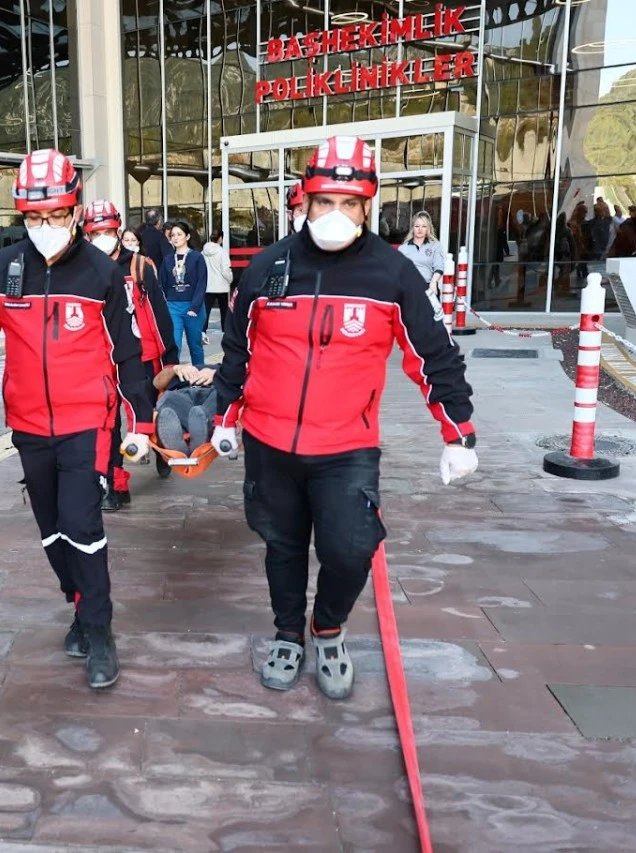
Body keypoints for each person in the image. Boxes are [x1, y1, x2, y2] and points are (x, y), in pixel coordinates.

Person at [211, 135, 478, 702]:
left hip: (347, 447)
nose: (336, 213)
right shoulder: (268, 268)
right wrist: (224, 416)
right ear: (305, 200)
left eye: (350, 204)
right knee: (282, 546)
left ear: (367, 206)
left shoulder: (391, 274)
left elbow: (434, 354)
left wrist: (457, 431)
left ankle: (327, 627)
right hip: (270, 442)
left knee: (350, 549)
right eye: (325, 201)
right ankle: (288, 633)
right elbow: (238, 348)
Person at [0, 149, 153, 690]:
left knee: (82, 525)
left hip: (87, 422)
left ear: (75, 211)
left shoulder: (101, 274)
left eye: (56, 216)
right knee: (52, 531)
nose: (45, 227)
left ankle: (99, 629)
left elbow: (128, 354)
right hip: (29, 424)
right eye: (34, 218)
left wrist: (141, 423)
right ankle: (80, 603)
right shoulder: (5, 269)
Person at [81, 198, 175, 511]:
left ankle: (161, 447)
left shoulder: (139, 266)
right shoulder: (82, 270)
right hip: (101, 359)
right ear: (86, 235)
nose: (102, 238)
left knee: (145, 412)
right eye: (95, 233)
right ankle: (115, 484)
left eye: (107, 231)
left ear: (118, 230)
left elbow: (159, 315)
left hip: (141, 355)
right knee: (107, 424)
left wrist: (169, 359)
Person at [160, 221, 208, 369]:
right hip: (173, 306)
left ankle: (199, 375)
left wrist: (195, 307)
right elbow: (162, 283)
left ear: (187, 236)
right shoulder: (168, 259)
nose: (175, 238)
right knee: (174, 344)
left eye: (179, 234)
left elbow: (201, 284)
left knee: (195, 344)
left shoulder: (197, 258)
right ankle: (172, 376)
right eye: (172, 235)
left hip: (193, 306)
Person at [153, 363, 216, 455]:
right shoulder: (174, 369)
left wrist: (217, 374)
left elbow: (236, 379)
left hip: (211, 391)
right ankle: (188, 440)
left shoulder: (223, 367)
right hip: (181, 394)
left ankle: (200, 425)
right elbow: (156, 383)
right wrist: (175, 369)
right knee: (168, 399)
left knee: (222, 396)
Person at [398, 211, 445, 298]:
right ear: (412, 228)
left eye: (424, 226)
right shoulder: (403, 248)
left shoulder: (435, 245)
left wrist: (434, 282)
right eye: (417, 226)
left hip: (428, 286)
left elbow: (439, 267)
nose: (420, 229)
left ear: (428, 229)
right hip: (409, 288)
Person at [202, 229, 233, 338]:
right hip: (221, 285)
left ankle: (203, 330)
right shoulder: (222, 252)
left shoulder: (204, 252)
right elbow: (225, 270)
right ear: (220, 238)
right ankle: (225, 329)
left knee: (206, 309)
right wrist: (230, 279)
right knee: (224, 310)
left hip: (208, 285)